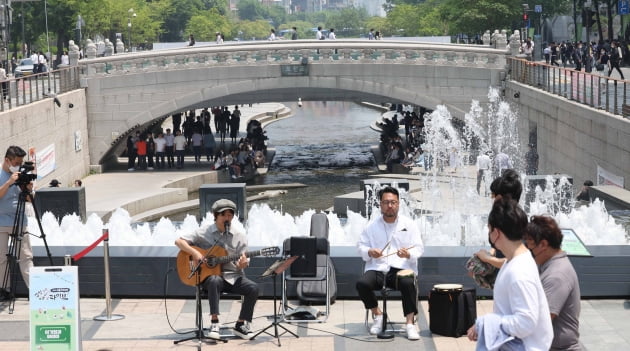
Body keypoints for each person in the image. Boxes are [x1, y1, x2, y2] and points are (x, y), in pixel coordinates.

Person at [467, 198, 553, 350]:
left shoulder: (519, 272)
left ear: (496, 233)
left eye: (489, 229)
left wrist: (486, 323)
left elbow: (526, 322)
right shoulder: (515, 260)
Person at [174, 199, 258, 339]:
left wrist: (243, 263)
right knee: (214, 280)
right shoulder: (204, 232)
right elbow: (179, 241)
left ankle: (240, 324)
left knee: (253, 288)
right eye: (223, 215)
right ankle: (214, 323)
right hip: (210, 278)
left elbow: (244, 261)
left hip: (233, 276)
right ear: (215, 215)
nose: (227, 218)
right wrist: (195, 253)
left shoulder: (240, 236)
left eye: (230, 215)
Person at [356, 186, 424, 340]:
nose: (390, 206)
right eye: (386, 202)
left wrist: (408, 254)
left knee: (408, 283)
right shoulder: (371, 226)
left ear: (399, 204)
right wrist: (369, 251)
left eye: (393, 202)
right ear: (380, 204)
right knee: (362, 283)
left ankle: (409, 323)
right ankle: (378, 315)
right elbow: (360, 247)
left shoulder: (409, 224)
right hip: (378, 268)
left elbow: (419, 248)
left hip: (400, 268)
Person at [524, 216, 582, 351]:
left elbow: (540, 322)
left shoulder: (557, 275)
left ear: (543, 244)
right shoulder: (547, 264)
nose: (528, 251)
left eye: (530, 246)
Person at [0, 146, 35, 298]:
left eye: (20, 162)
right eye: (16, 162)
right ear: (7, 160)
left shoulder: (22, 175)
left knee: (26, 256)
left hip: (20, 221)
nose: (18, 165)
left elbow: (30, 200)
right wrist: (9, 182)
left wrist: (28, 188)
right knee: (1, 258)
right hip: (1, 223)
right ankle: (4, 290)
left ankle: (34, 290)